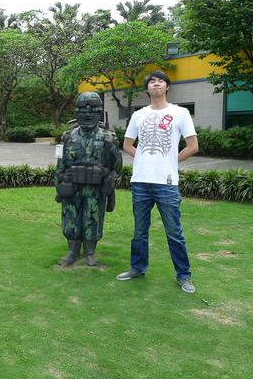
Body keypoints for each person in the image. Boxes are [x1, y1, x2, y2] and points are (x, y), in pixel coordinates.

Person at [116, 70, 199, 293]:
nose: (156, 84)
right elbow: (127, 144)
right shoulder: (138, 115)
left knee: (174, 231)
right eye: (151, 81)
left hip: (167, 183)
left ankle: (183, 275)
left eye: (160, 81)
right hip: (140, 181)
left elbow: (192, 146)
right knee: (139, 231)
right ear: (147, 88)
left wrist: (171, 160)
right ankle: (137, 268)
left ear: (167, 86)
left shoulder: (180, 113)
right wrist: (143, 157)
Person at [55, 92, 123, 267]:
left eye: (93, 111)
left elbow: (118, 167)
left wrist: (111, 148)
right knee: (70, 219)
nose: (87, 115)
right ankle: (72, 252)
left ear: (98, 113)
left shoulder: (108, 137)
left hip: (95, 189)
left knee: (92, 219)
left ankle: (90, 253)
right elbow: (60, 163)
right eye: (83, 111)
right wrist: (59, 186)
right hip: (72, 187)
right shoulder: (68, 136)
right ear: (77, 113)